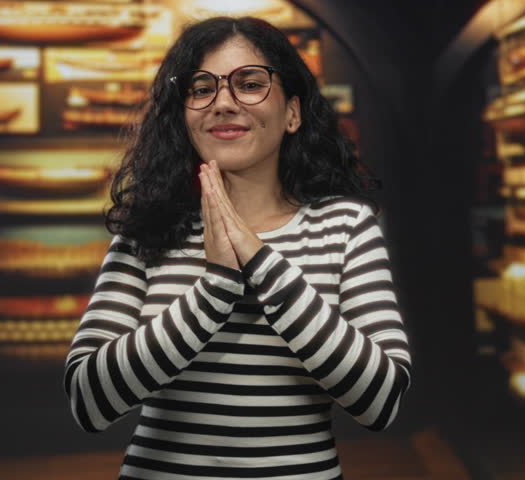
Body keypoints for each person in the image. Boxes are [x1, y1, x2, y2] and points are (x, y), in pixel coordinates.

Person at [63, 15, 412, 480]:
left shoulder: (345, 226)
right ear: (182, 115)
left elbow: (381, 402)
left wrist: (259, 260)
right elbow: (89, 403)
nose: (223, 103)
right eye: (201, 88)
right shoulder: (146, 230)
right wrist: (215, 288)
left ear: (293, 112)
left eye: (249, 83)